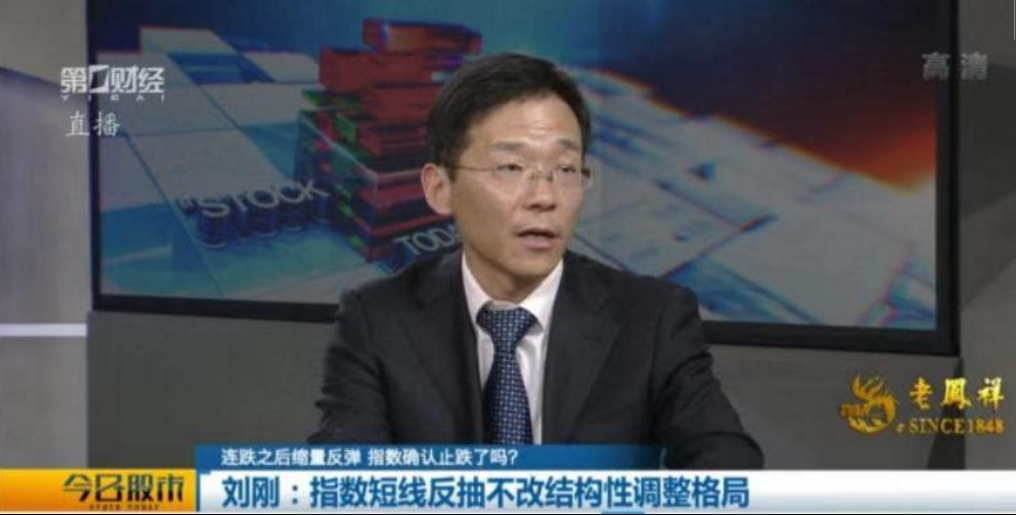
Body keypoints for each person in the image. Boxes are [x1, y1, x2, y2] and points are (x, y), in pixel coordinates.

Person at [310, 53, 763, 469]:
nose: (544, 197)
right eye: (511, 168)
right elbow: (343, 478)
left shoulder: (652, 318)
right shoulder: (377, 319)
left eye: (565, 170)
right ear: (439, 188)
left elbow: (727, 462)